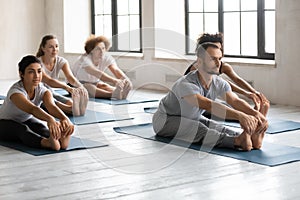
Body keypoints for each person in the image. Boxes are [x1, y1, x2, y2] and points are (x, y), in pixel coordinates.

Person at [153, 42, 268, 151]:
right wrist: (240, 116)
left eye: (220, 59)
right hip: (166, 120)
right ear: (200, 62)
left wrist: (256, 115)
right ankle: (237, 141)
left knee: (215, 125)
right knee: (199, 129)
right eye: (213, 59)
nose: (218, 63)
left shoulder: (218, 82)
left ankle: (249, 137)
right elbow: (208, 105)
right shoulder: (186, 84)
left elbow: (235, 101)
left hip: (192, 116)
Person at [0, 55, 74, 151]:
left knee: (41, 127)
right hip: (3, 123)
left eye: (39, 71)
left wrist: (64, 119)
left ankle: (59, 138)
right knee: (22, 129)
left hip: (26, 119)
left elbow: (51, 106)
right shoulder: (16, 92)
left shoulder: (43, 90)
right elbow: (33, 109)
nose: (37, 76)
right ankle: (46, 143)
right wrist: (50, 119)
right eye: (31, 72)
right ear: (22, 74)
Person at [184, 33, 270, 115]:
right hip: (195, 103)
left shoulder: (223, 66)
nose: (217, 51)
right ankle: (255, 116)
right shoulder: (198, 67)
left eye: (218, 48)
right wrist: (246, 93)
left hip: (209, 99)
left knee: (233, 105)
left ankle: (257, 115)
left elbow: (236, 80)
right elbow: (224, 83)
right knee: (227, 111)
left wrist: (254, 93)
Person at [36, 34, 89, 116]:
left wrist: (81, 86)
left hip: (51, 91)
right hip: (39, 93)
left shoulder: (61, 61)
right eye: (51, 47)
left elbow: (70, 77)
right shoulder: (37, 63)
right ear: (43, 48)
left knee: (73, 106)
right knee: (69, 110)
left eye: (56, 46)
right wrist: (68, 88)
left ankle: (77, 106)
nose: (54, 49)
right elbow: (49, 81)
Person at [72, 35, 132, 99]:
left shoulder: (106, 57)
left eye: (103, 48)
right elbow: (97, 73)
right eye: (98, 49)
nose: (102, 51)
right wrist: (115, 81)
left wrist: (126, 81)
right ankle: (113, 94)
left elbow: (115, 70)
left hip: (94, 82)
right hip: (75, 84)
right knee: (88, 87)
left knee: (104, 85)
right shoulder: (84, 59)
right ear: (91, 50)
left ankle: (120, 93)